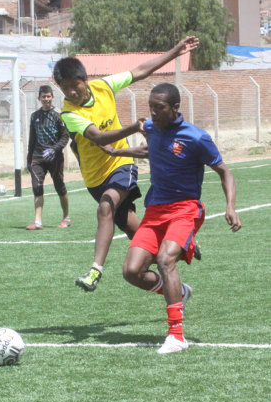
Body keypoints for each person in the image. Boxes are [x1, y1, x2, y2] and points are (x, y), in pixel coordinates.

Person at [102, 82, 242, 354]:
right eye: (151, 107)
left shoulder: (196, 137)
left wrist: (231, 206)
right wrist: (116, 152)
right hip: (155, 211)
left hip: (185, 209)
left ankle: (177, 335)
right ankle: (180, 293)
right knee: (131, 272)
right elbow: (148, 150)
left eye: (159, 107)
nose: (153, 113)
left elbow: (225, 172)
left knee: (166, 259)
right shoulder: (152, 130)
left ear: (176, 108)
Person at [53, 36, 200, 292]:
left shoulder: (103, 87)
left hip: (121, 163)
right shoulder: (68, 113)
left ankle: (94, 271)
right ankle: (177, 288)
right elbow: (97, 137)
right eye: (65, 89)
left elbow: (140, 71)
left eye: (75, 85)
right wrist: (132, 126)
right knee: (141, 239)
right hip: (94, 179)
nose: (72, 93)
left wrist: (174, 51)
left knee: (105, 207)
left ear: (84, 79)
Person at [26, 85, 71, 230]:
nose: (46, 99)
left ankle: (66, 217)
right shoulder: (34, 116)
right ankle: (38, 221)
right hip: (38, 157)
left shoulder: (59, 115)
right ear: (39, 98)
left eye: (48, 96)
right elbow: (32, 139)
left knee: (59, 186)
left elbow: (65, 137)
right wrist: (29, 159)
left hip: (55, 157)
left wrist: (55, 149)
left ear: (52, 97)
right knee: (37, 187)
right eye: (43, 97)